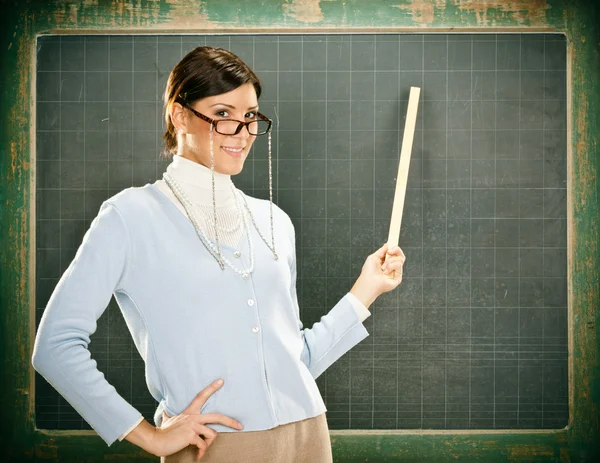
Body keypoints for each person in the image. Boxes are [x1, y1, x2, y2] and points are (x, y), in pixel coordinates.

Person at [32, 46, 406, 463]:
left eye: (250, 117)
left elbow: (294, 361)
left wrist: (366, 290)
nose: (243, 132)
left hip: (308, 439)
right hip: (213, 447)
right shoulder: (131, 217)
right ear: (179, 115)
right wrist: (148, 435)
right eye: (223, 114)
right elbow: (55, 346)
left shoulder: (274, 221)